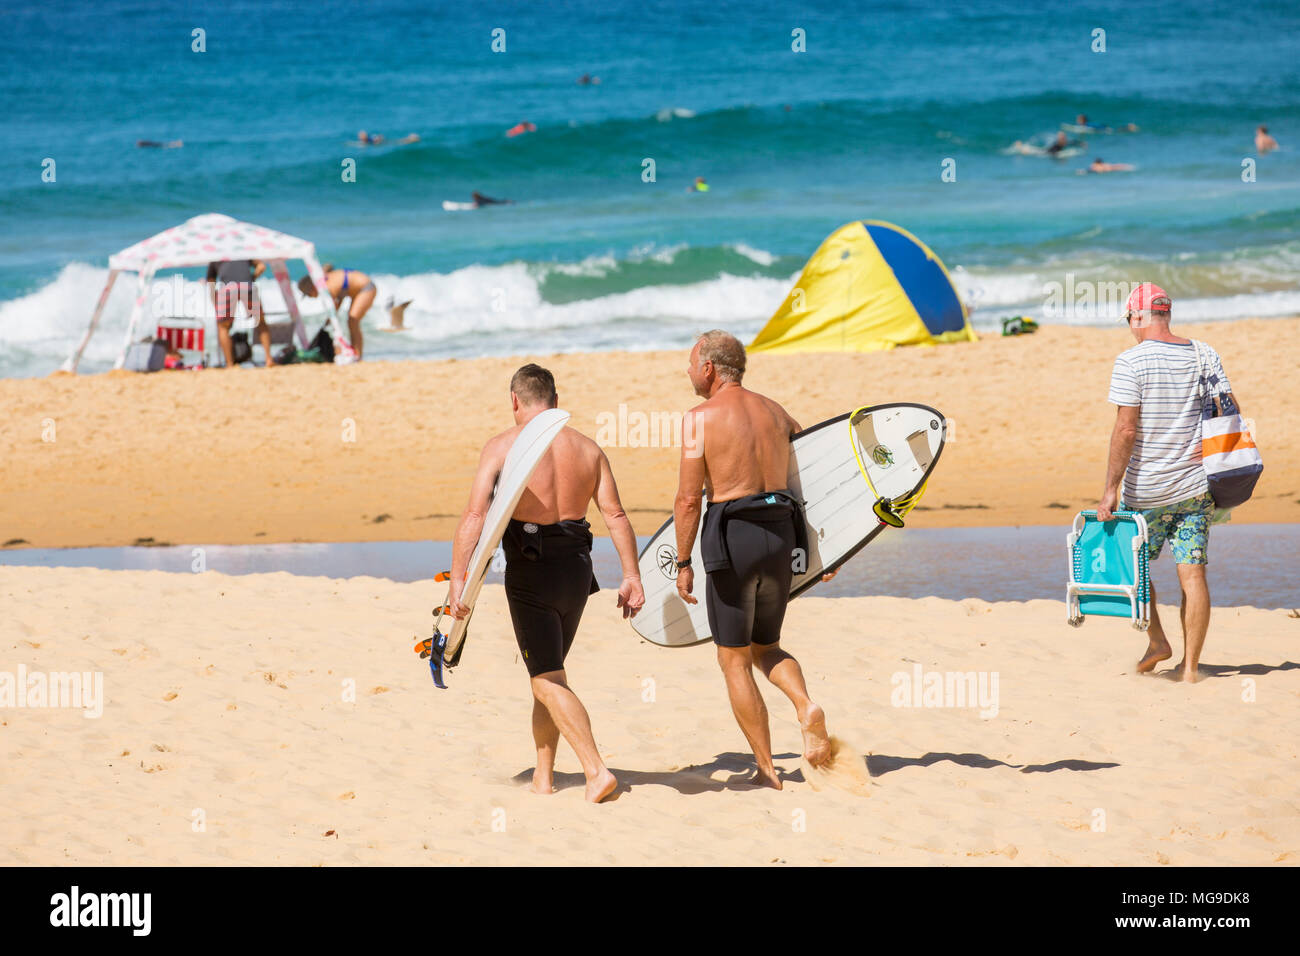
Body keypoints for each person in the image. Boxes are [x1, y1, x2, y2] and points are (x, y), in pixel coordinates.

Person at [448, 364, 645, 803]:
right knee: (550, 672)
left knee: (545, 680)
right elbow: (615, 515)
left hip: (531, 573)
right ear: (555, 401)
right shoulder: (589, 450)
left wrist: (458, 580)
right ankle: (543, 776)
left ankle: (596, 771)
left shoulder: (502, 447)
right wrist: (631, 575)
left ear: (515, 401)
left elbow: (476, 517)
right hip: (576, 569)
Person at [671, 331, 833, 789]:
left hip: (733, 535)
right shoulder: (777, 412)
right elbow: (814, 475)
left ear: (709, 369)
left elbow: (687, 500)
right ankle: (804, 705)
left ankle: (767, 770)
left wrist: (683, 562)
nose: (687, 372)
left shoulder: (699, 419)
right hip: (780, 534)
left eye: (690, 363)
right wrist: (824, 548)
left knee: (734, 659)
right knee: (767, 645)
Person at [1097, 284, 1241, 683]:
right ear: (1167, 314)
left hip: (1147, 491)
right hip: (1196, 489)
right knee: (1192, 574)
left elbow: (1126, 430)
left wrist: (1110, 489)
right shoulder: (1203, 353)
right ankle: (1191, 669)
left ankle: (1158, 642)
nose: (1130, 327)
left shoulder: (1131, 362)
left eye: (1129, 319)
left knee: (1134, 571)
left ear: (1138, 317)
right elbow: (1230, 413)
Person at [297, 264, 377, 359]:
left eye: (309, 295)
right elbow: (338, 303)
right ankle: (356, 353)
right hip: (359, 289)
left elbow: (334, 309)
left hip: (366, 288)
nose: (311, 297)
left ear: (312, 288)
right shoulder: (325, 280)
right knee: (351, 322)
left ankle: (358, 355)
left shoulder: (328, 287)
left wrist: (329, 322)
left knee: (353, 320)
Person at [206, 259, 270, 368]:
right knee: (260, 322)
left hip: (227, 290)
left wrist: (214, 300)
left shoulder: (216, 256)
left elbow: (211, 282)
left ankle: (230, 364)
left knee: (223, 327)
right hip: (247, 287)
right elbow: (261, 266)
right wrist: (252, 277)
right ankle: (269, 359)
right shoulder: (241, 252)